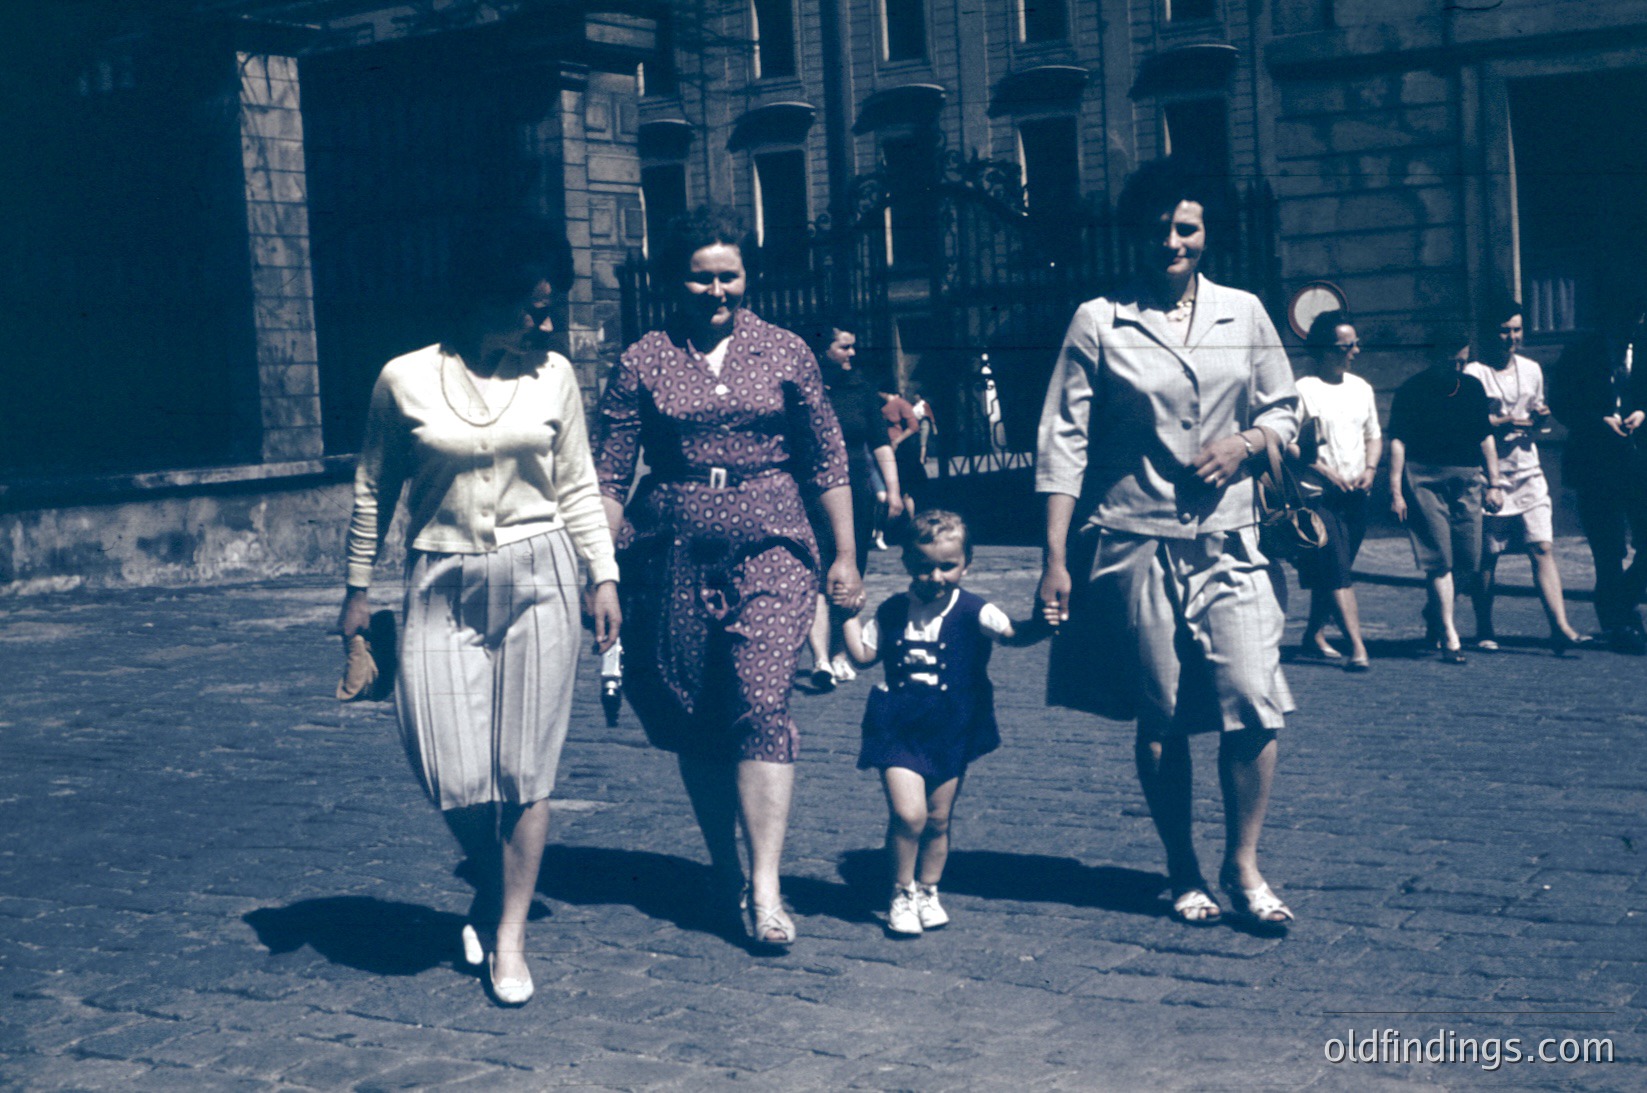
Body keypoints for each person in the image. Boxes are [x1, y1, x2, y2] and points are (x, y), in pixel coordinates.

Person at [338, 235, 621, 1006]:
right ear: (483, 299)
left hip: (542, 575)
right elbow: (373, 487)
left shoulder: (554, 375)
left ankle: (510, 933)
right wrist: (356, 590)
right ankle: (497, 887)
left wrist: (604, 575)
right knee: (446, 763)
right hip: (438, 578)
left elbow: (578, 482)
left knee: (525, 770)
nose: (547, 326)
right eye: (534, 311)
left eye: (550, 311)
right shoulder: (403, 378)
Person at [1036, 157, 1300, 930]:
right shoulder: (1098, 319)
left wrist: (1246, 442)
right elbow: (1063, 443)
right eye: (1158, 230)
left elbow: (1285, 409)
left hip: (1231, 540)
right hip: (1133, 540)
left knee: (1253, 702)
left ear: (1204, 232)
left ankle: (1242, 864)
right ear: (1136, 236)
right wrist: (1055, 558)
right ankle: (1181, 866)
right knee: (1163, 713)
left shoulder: (1243, 311)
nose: (1172, 242)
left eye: (1185, 228)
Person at [594, 207, 862, 949]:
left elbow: (826, 458)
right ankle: (725, 868)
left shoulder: (785, 352)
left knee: (760, 698)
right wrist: (598, 568)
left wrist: (842, 553)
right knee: (694, 710)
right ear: (674, 281)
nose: (718, 291)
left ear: (748, 276)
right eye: (702, 277)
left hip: (774, 540)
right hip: (669, 549)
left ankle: (767, 886)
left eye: (729, 276)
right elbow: (610, 472)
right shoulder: (644, 358)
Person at [841, 510, 1012, 936]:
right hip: (897, 724)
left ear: (966, 565)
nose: (934, 575)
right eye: (922, 566)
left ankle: (928, 889)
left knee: (938, 818)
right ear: (906, 565)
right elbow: (864, 657)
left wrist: (1051, 618)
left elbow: (1016, 635)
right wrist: (844, 612)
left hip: (951, 725)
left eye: (947, 566)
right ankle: (900, 891)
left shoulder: (976, 609)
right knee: (909, 814)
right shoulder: (894, 610)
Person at [1463, 301, 1589, 652]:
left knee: (1542, 546)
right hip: (1491, 474)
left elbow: (1539, 415)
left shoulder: (1532, 369)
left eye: (1517, 329)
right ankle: (1485, 627)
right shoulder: (1475, 372)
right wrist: (1503, 422)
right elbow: (1470, 422)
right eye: (1505, 330)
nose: (1511, 337)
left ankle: (1560, 626)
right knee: (1488, 555)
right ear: (1491, 331)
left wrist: (1541, 417)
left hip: (1528, 468)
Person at [1386, 336, 1500, 664]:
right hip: (1423, 480)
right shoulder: (1412, 390)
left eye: (1463, 361)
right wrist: (1396, 492)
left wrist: (1495, 484)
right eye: (1452, 361)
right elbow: (1398, 442)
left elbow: (1485, 437)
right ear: (1435, 356)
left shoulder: (1474, 389)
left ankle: (1435, 611)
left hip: (1467, 480)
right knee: (1439, 560)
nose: (1458, 367)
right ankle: (1450, 636)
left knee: (1469, 560)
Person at [805, 320, 901, 690]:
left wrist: (892, 489)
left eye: (852, 346)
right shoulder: (804, 389)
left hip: (856, 494)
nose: (852, 353)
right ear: (822, 349)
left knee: (850, 570)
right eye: (844, 346)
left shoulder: (861, 388)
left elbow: (879, 443)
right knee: (816, 574)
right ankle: (821, 660)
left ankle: (842, 651)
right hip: (811, 496)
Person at [1548, 313, 1647, 654]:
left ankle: (1621, 602)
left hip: (1640, 461)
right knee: (1608, 551)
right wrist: (1596, 420)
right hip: (1596, 463)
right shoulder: (1581, 351)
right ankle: (1620, 625)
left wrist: (1643, 413)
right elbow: (1560, 401)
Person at [1290, 310, 1382, 670]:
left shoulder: (1361, 388)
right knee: (1337, 569)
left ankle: (1313, 634)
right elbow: (1287, 445)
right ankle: (1358, 648)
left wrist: (1371, 469)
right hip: (1317, 496)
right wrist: (1325, 472)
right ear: (1327, 350)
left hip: (1357, 496)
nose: (1356, 351)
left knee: (1332, 570)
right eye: (1348, 345)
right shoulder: (1302, 391)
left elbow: (1373, 435)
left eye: (1356, 344)